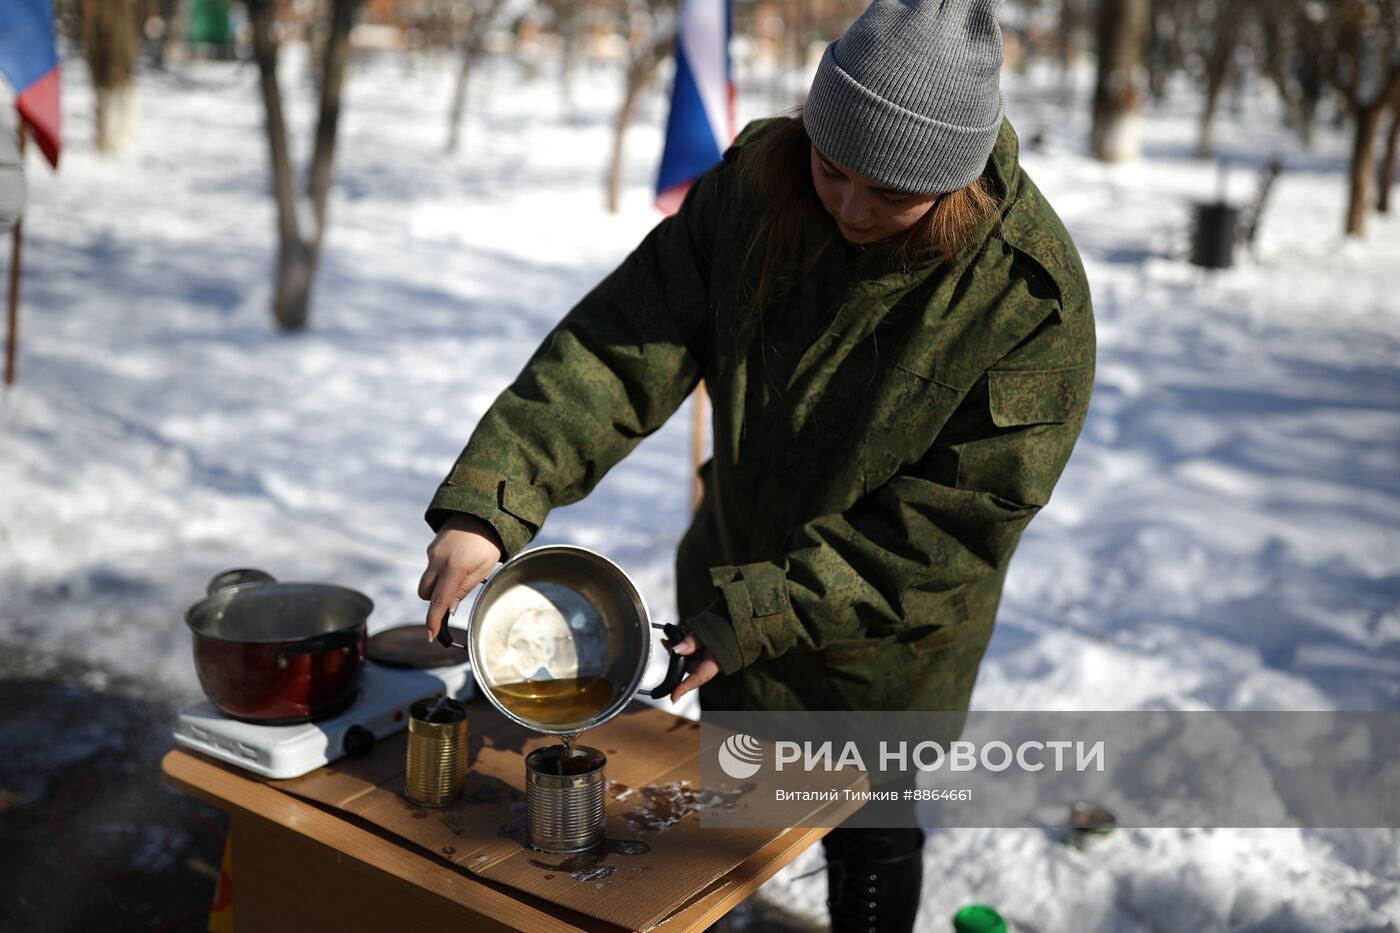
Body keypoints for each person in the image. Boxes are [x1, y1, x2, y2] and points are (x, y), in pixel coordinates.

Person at [419, 0, 1094, 929]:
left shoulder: (1026, 303)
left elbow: (942, 536)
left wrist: (756, 613)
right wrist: (491, 502)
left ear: (960, 182)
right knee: (735, 820)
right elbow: (623, 348)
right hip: (730, 584)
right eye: (833, 167)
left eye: (892, 195)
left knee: (871, 831)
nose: (851, 210)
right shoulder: (758, 185)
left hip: (881, 654)